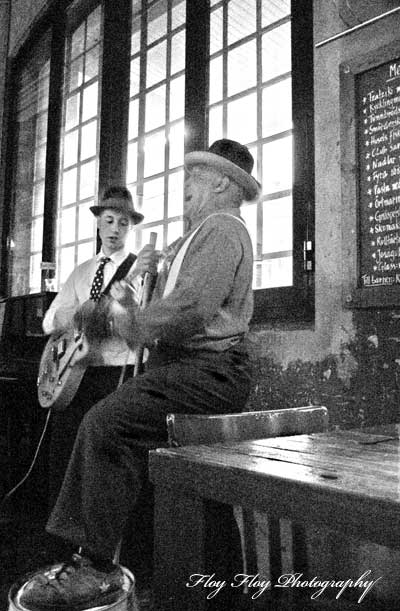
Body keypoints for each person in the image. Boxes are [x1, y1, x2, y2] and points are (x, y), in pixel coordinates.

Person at [20, 139, 260, 611]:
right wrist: (136, 292)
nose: (186, 185)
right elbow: (169, 306)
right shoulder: (198, 235)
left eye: (195, 176)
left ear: (221, 182)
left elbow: (190, 310)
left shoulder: (222, 227)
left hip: (207, 370)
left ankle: (93, 565)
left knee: (105, 423)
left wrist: (119, 320)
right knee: (195, 485)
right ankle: (223, 587)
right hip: (190, 369)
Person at [42, 185, 156, 508]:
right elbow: (49, 321)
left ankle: (102, 548)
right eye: (108, 221)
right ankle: (66, 544)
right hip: (75, 377)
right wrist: (76, 315)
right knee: (65, 455)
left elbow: (145, 334)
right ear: (98, 223)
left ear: (131, 228)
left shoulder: (139, 271)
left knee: (108, 464)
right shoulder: (81, 272)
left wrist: (128, 310)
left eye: (123, 223)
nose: (115, 230)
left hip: (116, 377)